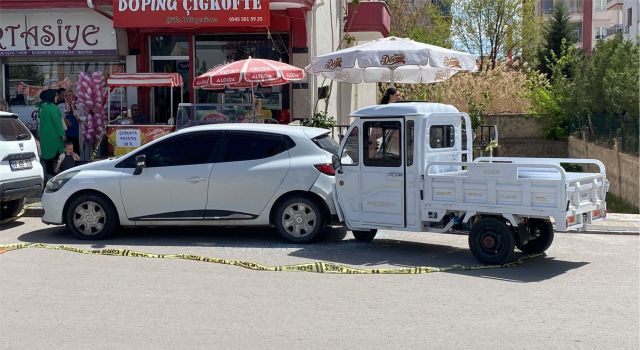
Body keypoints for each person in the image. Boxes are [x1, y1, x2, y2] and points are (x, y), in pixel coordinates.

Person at [38, 89, 65, 178]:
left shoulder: (42, 107)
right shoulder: (52, 107)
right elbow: (57, 123)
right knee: (59, 157)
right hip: (54, 137)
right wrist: (62, 134)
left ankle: (49, 176)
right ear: (51, 97)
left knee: (48, 159)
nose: (57, 97)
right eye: (56, 96)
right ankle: (58, 176)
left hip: (45, 137)